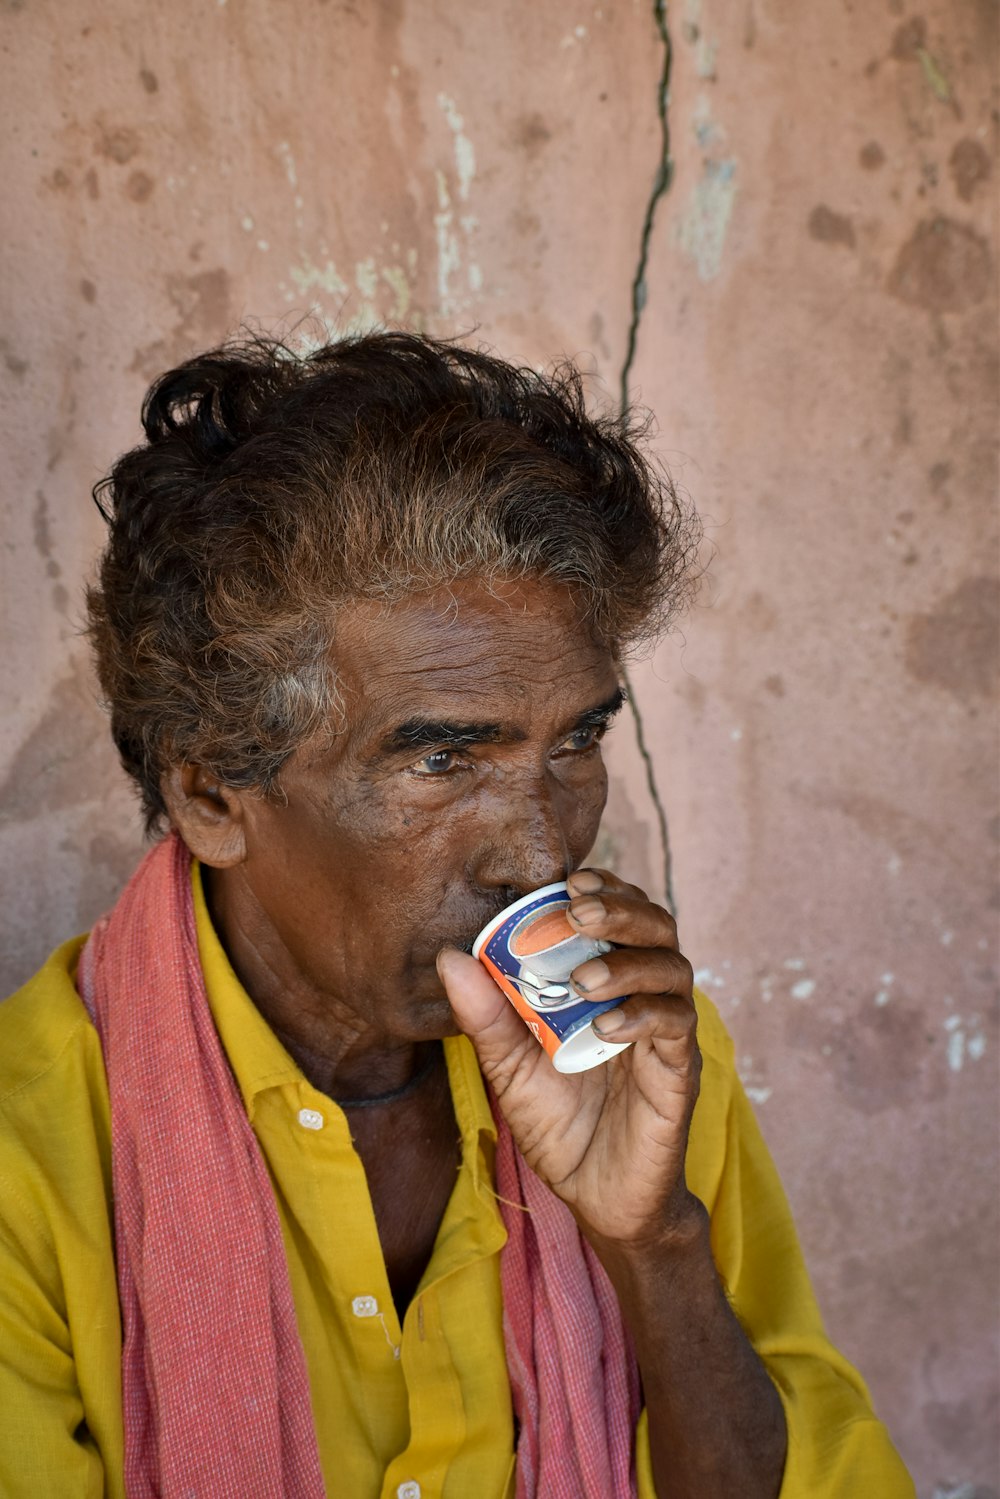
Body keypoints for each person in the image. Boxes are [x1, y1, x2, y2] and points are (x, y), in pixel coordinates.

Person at [0, 332, 914, 1499]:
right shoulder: (30, 1160)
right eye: (441, 758)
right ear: (212, 791)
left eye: (576, 739)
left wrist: (653, 1243)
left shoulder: (638, 1055)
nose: (540, 848)